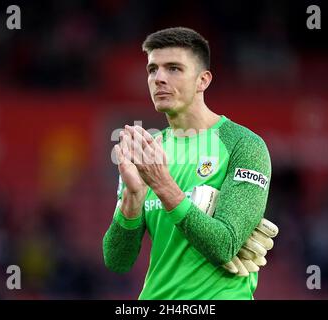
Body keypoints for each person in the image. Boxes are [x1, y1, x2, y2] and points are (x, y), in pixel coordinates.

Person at [103, 27, 276, 300]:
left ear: (202, 80)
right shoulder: (147, 152)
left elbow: (225, 244)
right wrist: (132, 196)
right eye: (152, 70)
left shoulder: (243, 145)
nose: (159, 78)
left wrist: (162, 184)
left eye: (173, 68)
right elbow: (117, 260)